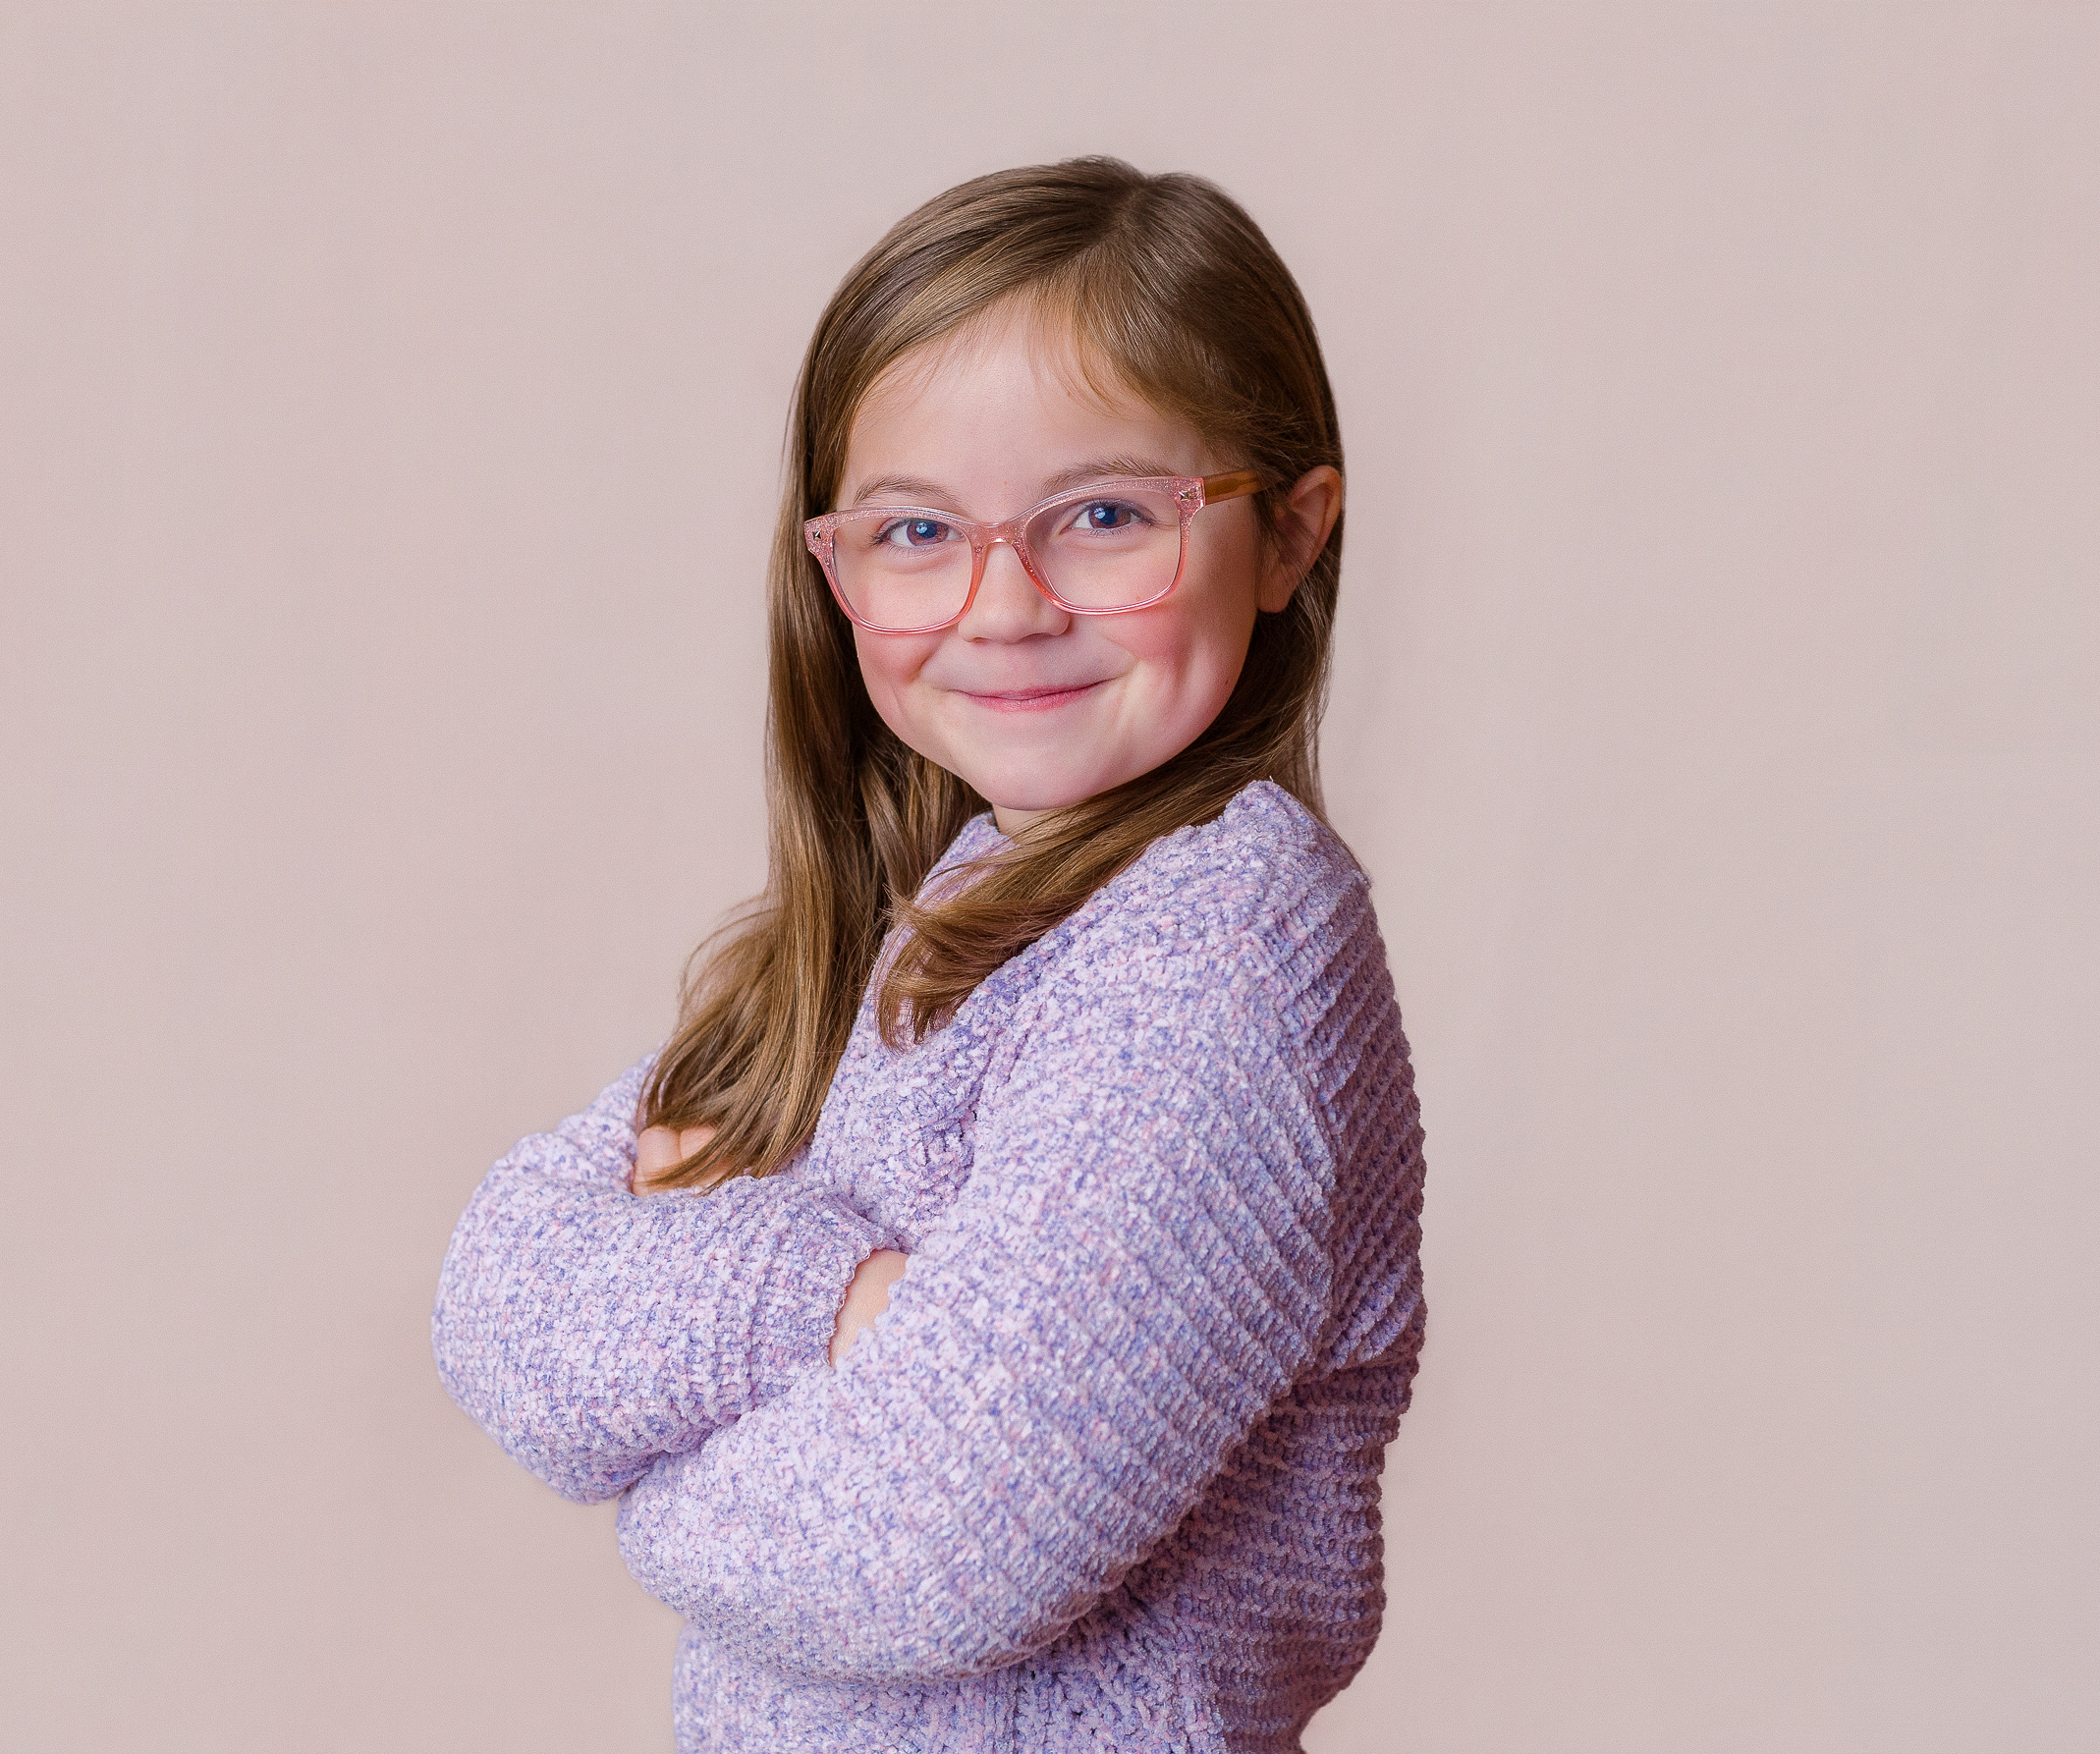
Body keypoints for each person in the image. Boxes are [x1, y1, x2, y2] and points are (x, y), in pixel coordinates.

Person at [433, 156, 1426, 1752]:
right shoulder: (932, 910)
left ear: (1289, 535)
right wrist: (827, 1292)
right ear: (833, 569)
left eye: (1105, 516)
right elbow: (500, 1291)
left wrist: (658, 1491)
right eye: (915, 530)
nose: (1002, 604)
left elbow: (920, 1544)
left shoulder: (1228, 948)